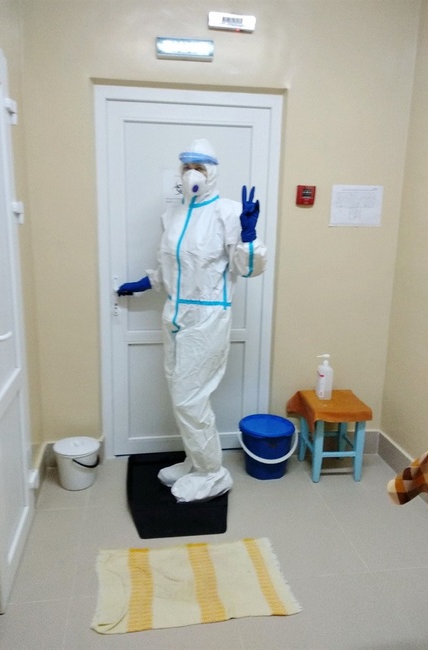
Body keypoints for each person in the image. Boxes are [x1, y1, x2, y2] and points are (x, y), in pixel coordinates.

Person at [118, 139, 267, 502]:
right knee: (179, 394)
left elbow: (248, 269)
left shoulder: (228, 212)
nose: (191, 174)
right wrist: (145, 283)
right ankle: (195, 460)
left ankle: (212, 472)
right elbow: (172, 265)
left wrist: (249, 236)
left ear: (211, 172)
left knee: (190, 398)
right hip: (174, 314)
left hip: (207, 316)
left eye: (199, 167)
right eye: (186, 167)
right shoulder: (173, 215)